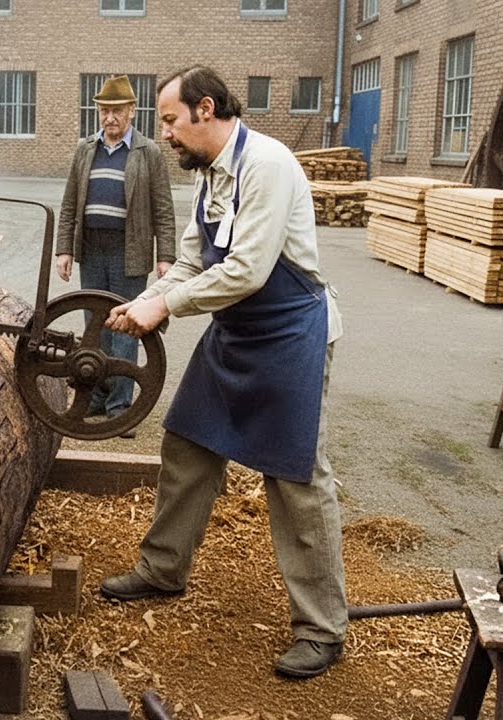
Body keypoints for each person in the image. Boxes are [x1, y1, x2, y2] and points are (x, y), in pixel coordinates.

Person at [98, 66, 347, 679]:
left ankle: (321, 629)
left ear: (205, 109)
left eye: (171, 121)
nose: (168, 135)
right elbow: (191, 261)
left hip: (290, 331)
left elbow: (248, 271)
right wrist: (150, 301)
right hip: (237, 332)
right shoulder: (209, 174)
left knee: (296, 477)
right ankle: (163, 568)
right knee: (187, 442)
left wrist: (167, 305)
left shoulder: (268, 164)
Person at [55, 75, 176, 437]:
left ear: (132, 112)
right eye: (105, 111)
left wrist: (165, 256)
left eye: (117, 111)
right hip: (91, 248)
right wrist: (64, 249)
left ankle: (120, 408)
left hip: (129, 249)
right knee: (96, 325)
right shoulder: (84, 149)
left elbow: (164, 210)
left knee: (126, 326)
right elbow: (68, 205)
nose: (110, 118)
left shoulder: (147, 152)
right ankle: (97, 395)